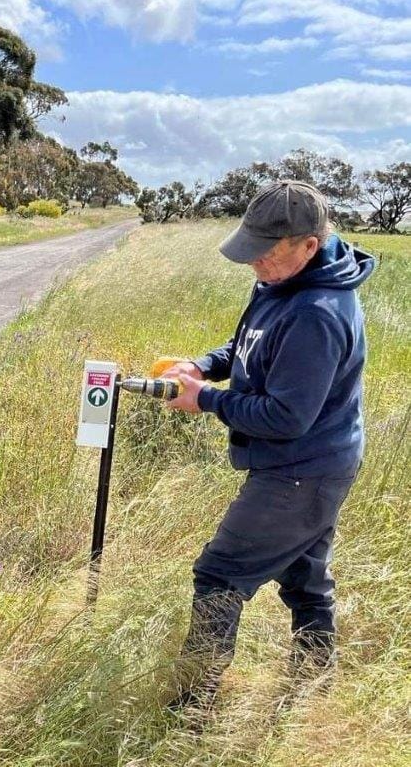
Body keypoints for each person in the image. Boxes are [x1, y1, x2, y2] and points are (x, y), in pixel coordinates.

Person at [162, 180, 375, 709]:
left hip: (303, 469)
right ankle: (314, 684)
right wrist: (203, 365)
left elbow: (285, 417)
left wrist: (205, 400)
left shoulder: (318, 312)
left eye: (266, 253)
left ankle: (192, 705)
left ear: (309, 244)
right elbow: (247, 344)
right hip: (311, 464)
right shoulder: (281, 281)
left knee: (219, 574)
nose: (255, 263)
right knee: (304, 578)